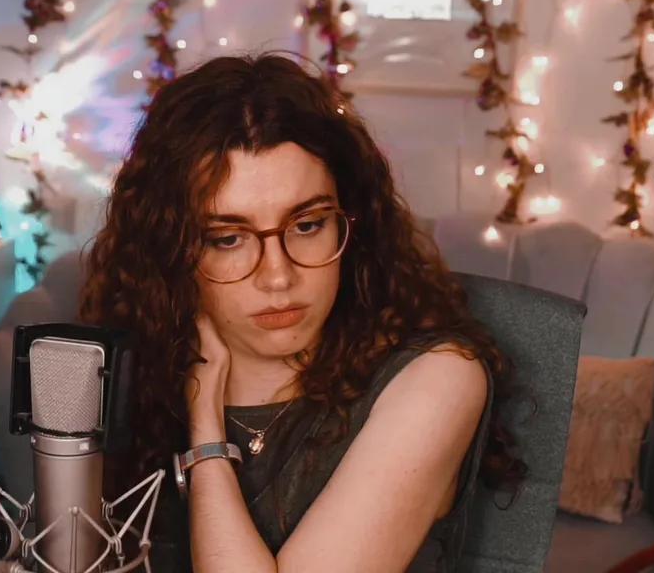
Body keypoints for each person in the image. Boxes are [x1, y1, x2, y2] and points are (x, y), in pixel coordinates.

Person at [77, 54, 524, 572]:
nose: (278, 276)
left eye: (307, 225)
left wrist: (206, 435)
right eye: (228, 238)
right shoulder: (133, 368)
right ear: (173, 251)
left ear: (351, 222)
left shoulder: (438, 378)